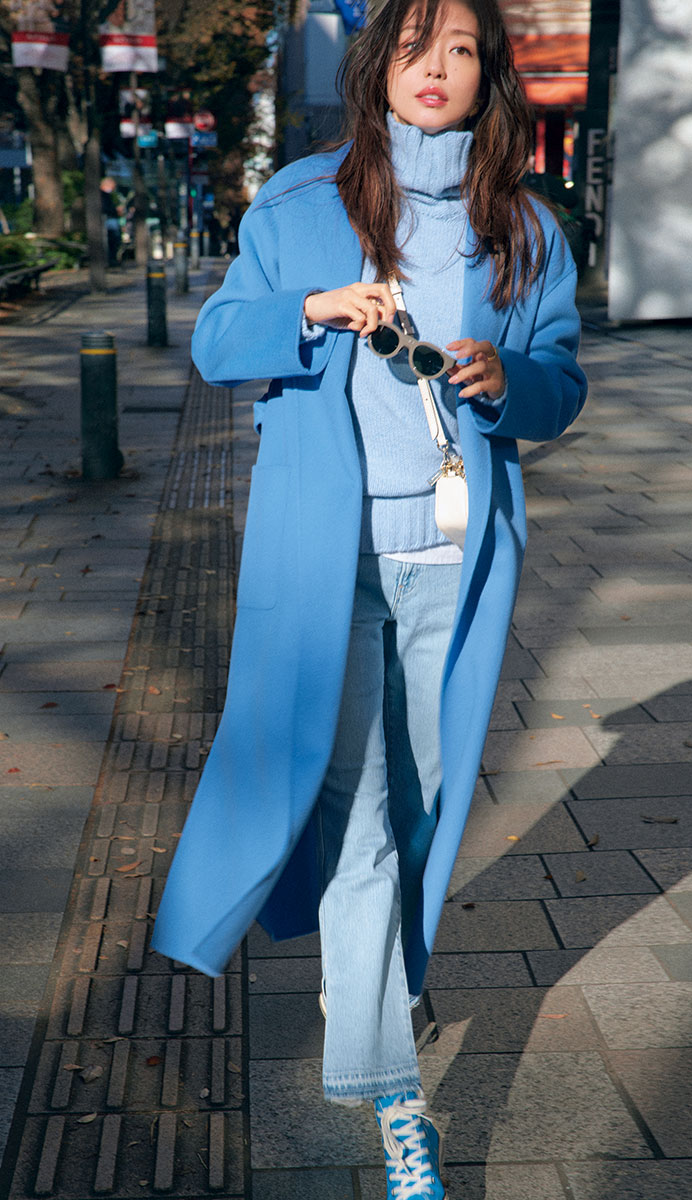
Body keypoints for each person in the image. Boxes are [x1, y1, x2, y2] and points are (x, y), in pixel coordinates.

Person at [151, 1, 587, 1196]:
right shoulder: (300, 202)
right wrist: (312, 310)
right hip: (324, 559)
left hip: (452, 558)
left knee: (425, 805)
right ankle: (396, 1101)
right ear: (375, 64)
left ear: (488, 75)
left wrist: (512, 379)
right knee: (355, 818)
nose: (434, 69)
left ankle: (378, 988)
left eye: (460, 50)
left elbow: (562, 380)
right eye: (412, 46)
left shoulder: (522, 228)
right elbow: (217, 342)